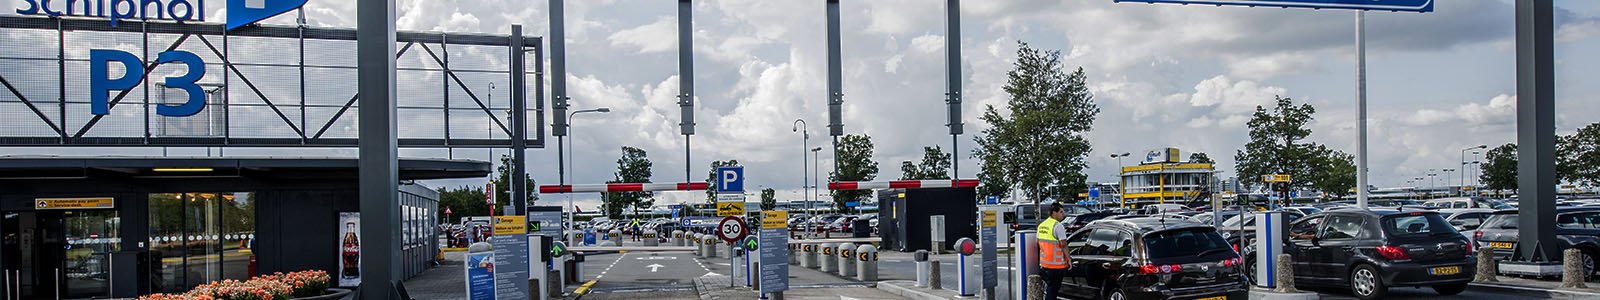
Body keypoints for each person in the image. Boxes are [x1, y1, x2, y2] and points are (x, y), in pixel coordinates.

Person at [1037, 202, 1071, 300]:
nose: (1063, 215)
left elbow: (1038, 243)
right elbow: (1064, 245)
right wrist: (1069, 259)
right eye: (1061, 212)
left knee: (1049, 290)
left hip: (1044, 265)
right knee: (1052, 292)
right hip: (1056, 266)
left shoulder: (1042, 225)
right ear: (1054, 213)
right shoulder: (1058, 226)